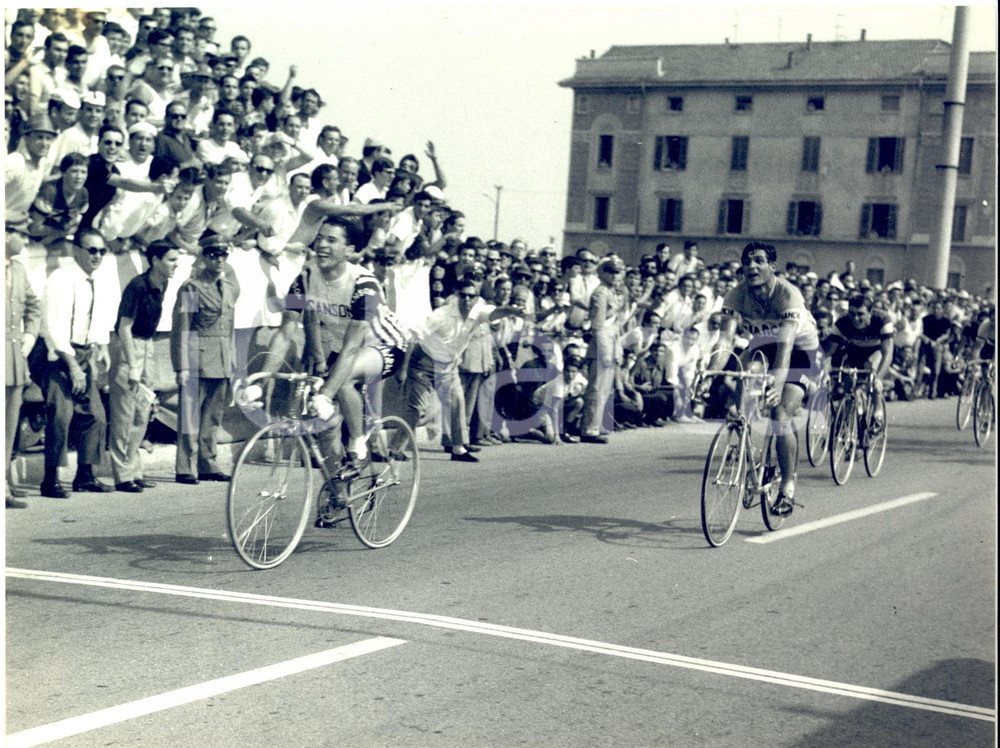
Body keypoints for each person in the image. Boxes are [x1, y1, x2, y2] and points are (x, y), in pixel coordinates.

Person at [257, 217, 410, 469]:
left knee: (342, 380)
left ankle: (359, 444)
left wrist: (326, 394)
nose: (322, 245)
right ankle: (338, 494)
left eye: (332, 240)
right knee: (326, 426)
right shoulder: (306, 278)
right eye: (319, 238)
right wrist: (263, 379)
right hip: (343, 349)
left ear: (350, 251)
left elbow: (352, 347)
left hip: (386, 344)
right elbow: (285, 333)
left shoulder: (364, 284)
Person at [718, 241, 821, 517]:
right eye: (747, 261)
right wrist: (709, 373)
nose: (752, 266)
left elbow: (785, 348)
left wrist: (776, 385)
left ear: (772, 267)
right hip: (763, 344)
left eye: (759, 261)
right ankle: (750, 456)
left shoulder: (788, 295)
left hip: (799, 350)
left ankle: (787, 487)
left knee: (780, 411)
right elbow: (725, 341)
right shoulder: (736, 294)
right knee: (735, 382)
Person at [37, 228, 114, 498]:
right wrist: (72, 365)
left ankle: (85, 475)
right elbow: (52, 327)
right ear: (76, 250)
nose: (97, 255)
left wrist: (100, 347)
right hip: (58, 357)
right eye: (92, 249)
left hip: (83, 354)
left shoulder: (96, 279)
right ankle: (50, 480)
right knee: (61, 414)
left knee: (96, 415)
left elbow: (96, 318)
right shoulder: (61, 278)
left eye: (102, 250)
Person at [109, 240, 180, 492]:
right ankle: (122, 475)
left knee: (143, 410)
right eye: (171, 259)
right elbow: (124, 328)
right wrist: (133, 365)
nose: (176, 264)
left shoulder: (163, 284)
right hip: (129, 346)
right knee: (124, 413)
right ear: (155, 261)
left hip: (147, 344)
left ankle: (134, 470)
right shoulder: (138, 286)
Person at [170, 238, 240, 484]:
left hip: (221, 359)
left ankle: (208, 464)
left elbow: (229, 326)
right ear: (203, 258)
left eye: (223, 255)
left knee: (212, 417)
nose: (219, 260)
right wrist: (182, 366)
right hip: (197, 359)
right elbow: (184, 327)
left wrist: (231, 360)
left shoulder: (229, 287)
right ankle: (185, 467)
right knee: (190, 416)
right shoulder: (192, 288)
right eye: (213, 255)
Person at [5, 229, 42, 507]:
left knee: (8, 424)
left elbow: (33, 305)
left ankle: (3, 483)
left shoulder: (17, 269)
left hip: (15, 357)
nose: (24, 239)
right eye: (18, 233)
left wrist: (29, 335)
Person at [826, 295, 895, 406]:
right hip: (856, 350)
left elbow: (887, 354)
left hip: (877, 350)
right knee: (848, 383)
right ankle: (845, 415)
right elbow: (829, 353)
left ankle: (877, 409)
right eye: (852, 314)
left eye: (860, 314)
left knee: (871, 369)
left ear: (870, 312)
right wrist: (825, 373)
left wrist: (878, 378)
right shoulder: (842, 322)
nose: (855, 319)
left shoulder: (882, 319)